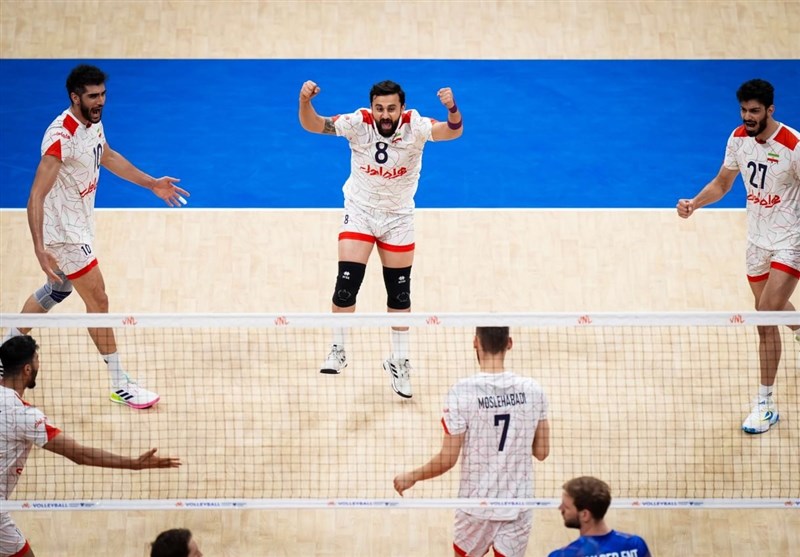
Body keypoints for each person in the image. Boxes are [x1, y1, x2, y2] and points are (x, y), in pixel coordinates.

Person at [2, 64, 189, 410]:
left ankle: (5, 349)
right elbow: (35, 196)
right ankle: (120, 383)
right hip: (64, 234)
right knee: (99, 301)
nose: (100, 101)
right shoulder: (61, 137)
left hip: (80, 223)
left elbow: (108, 155)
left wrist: (151, 183)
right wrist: (40, 248)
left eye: (102, 94)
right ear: (75, 97)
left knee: (58, 289)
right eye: (92, 96)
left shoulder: (93, 123)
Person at [298, 78, 464, 398]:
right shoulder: (358, 123)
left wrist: (452, 109)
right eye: (379, 108)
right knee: (346, 285)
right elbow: (313, 125)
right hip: (361, 212)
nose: (384, 115)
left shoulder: (416, 126)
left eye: (391, 108)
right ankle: (338, 349)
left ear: (401, 108)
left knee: (399, 294)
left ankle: (398, 360)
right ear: (371, 108)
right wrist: (305, 102)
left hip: (398, 218)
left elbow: (453, 131)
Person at [677, 78, 799, 434]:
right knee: (768, 307)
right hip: (756, 241)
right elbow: (722, 183)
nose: (748, 116)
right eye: (744, 110)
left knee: (764, 318)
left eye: (755, 111)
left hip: (790, 241)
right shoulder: (738, 139)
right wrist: (695, 203)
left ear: (770, 110)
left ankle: (765, 404)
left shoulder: (793, 146)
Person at [0, 335, 181, 557]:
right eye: (36, 360)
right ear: (27, 369)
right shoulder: (24, 416)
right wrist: (134, 464)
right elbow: (80, 454)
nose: (39, 365)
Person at [393, 327, 550, 557]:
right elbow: (542, 452)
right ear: (509, 343)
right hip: (518, 506)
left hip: (476, 507)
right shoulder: (533, 390)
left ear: (476, 342)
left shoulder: (462, 392)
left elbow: (447, 460)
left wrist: (412, 476)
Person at [548, 476, 651, 557]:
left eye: (566, 507)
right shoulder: (635, 544)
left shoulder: (562, 555)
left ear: (585, 515)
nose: (560, 508)